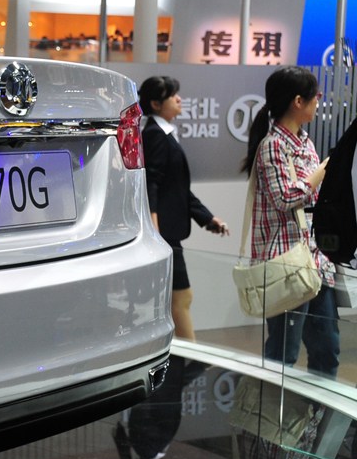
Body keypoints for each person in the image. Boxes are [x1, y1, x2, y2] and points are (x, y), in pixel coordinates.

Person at [243, 65, 338, 378]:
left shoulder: (305, 142)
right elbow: (285, 197)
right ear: (298, 101)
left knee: (327, 350)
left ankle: (316, 410)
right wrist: (323, 170)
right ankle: (269, 409)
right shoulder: (273, 145)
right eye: (315, 96)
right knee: (284, 353)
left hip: (315, 261)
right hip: (286, 265)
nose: (318, 101)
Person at [139, 76, 229, 341]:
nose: (179, 99)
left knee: (176, 299)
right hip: (164, 234)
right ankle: (189, 356)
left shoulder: (164, 134)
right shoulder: (155, 135)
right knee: (181, 297)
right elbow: (151, 183)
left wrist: (207, 218)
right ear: (156, 103)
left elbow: (177, 188)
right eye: (172, 95)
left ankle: (182, 356)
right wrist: (154, 230)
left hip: (167, 233)